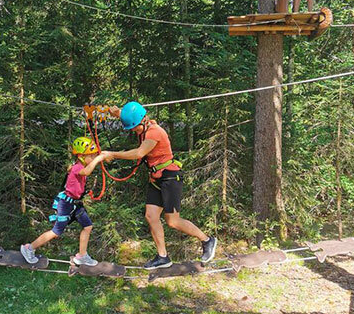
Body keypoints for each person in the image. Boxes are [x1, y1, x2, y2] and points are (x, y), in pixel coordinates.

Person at [102, 101, 217, 270]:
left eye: (135, 128)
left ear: (143, 120)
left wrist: (113, 154)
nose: (134, 131)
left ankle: (207, 240)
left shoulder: (155, 132)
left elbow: (139, 153)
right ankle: (163, 256)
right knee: (151, 216)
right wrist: (118, 112)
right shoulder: (143, 123)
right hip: (156, 179)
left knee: (173, 221)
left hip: (170, 178)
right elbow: (132, 117)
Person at [20, 136, 107, 266]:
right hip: (66, 204)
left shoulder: (80, 165)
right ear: (82, 156)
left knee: (88, 226)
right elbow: (87, 172)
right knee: (56, 232)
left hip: (75, 204)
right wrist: (99, 159)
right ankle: (29, 248)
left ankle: (82, 256)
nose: (94, 158)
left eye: (94, 156)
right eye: (92, 156)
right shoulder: (78, 167)